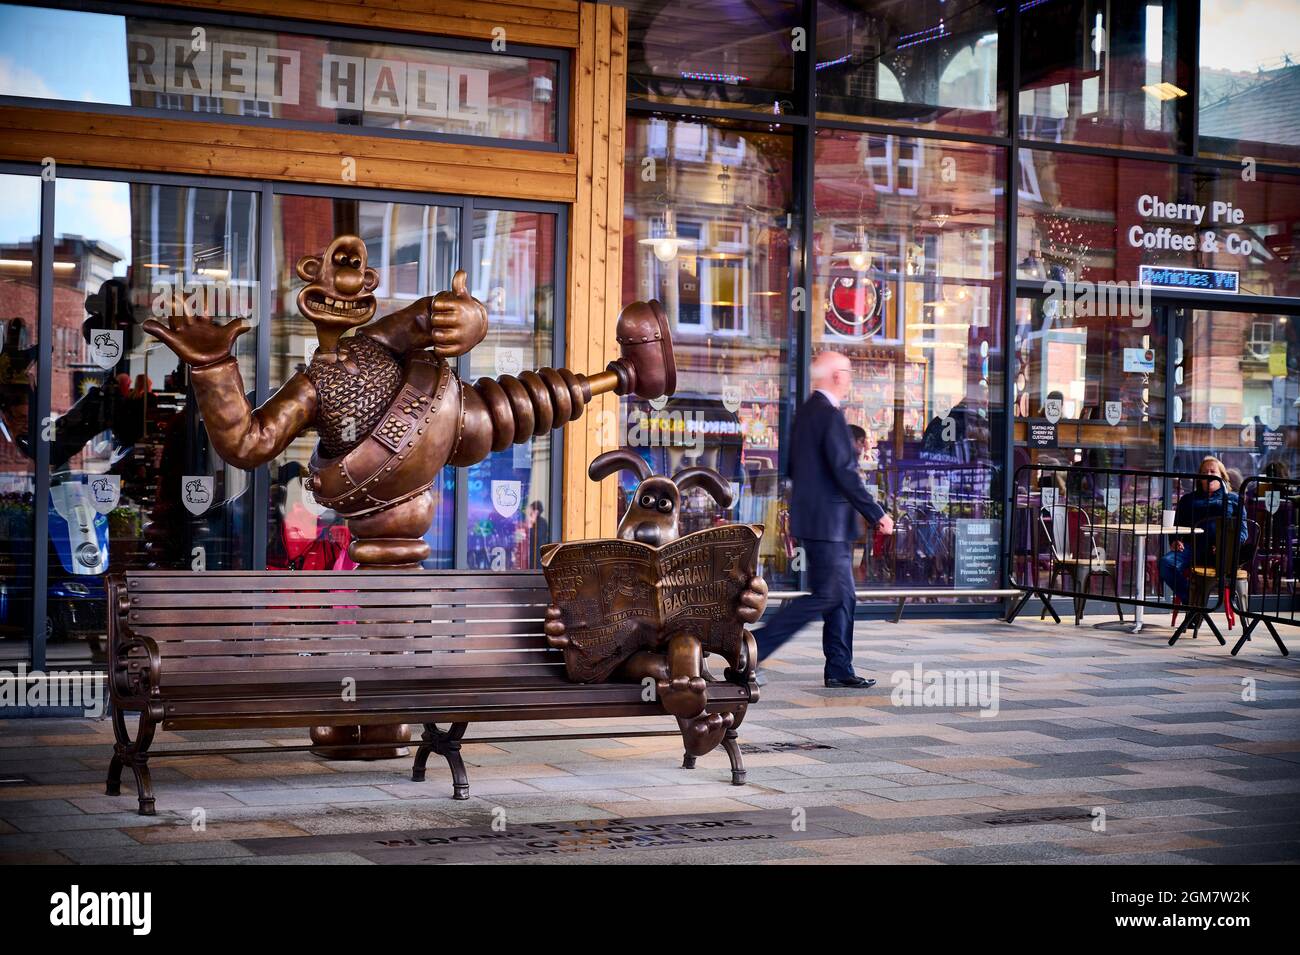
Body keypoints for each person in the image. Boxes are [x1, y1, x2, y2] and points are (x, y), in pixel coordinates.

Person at [754, 351, 894, 688]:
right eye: (847, 371)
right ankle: (755, 648)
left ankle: (839, 668)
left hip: (818, 520)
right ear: (836, 376)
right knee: (828, 595)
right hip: (828, 524)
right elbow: (845, 473)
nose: (850, 378)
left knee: (843, 596)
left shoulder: (804, 413)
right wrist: (876, 513)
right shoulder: (828, 415)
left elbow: (792, 467)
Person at [1158, 455, 1247, 603]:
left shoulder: (1234, 500)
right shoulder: (1188, 500)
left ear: (1222, 476)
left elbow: (1243, 532)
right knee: (1166, 564)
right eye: (1205, 473)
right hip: (1191, 549)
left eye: (1213, 472)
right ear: (1199, 478)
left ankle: (1195, 608)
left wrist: (1225, 546)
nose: (1209, 475)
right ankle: (1194, 602)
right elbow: (1176, 526)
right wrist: (1174, 541)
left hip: (1220, 553)